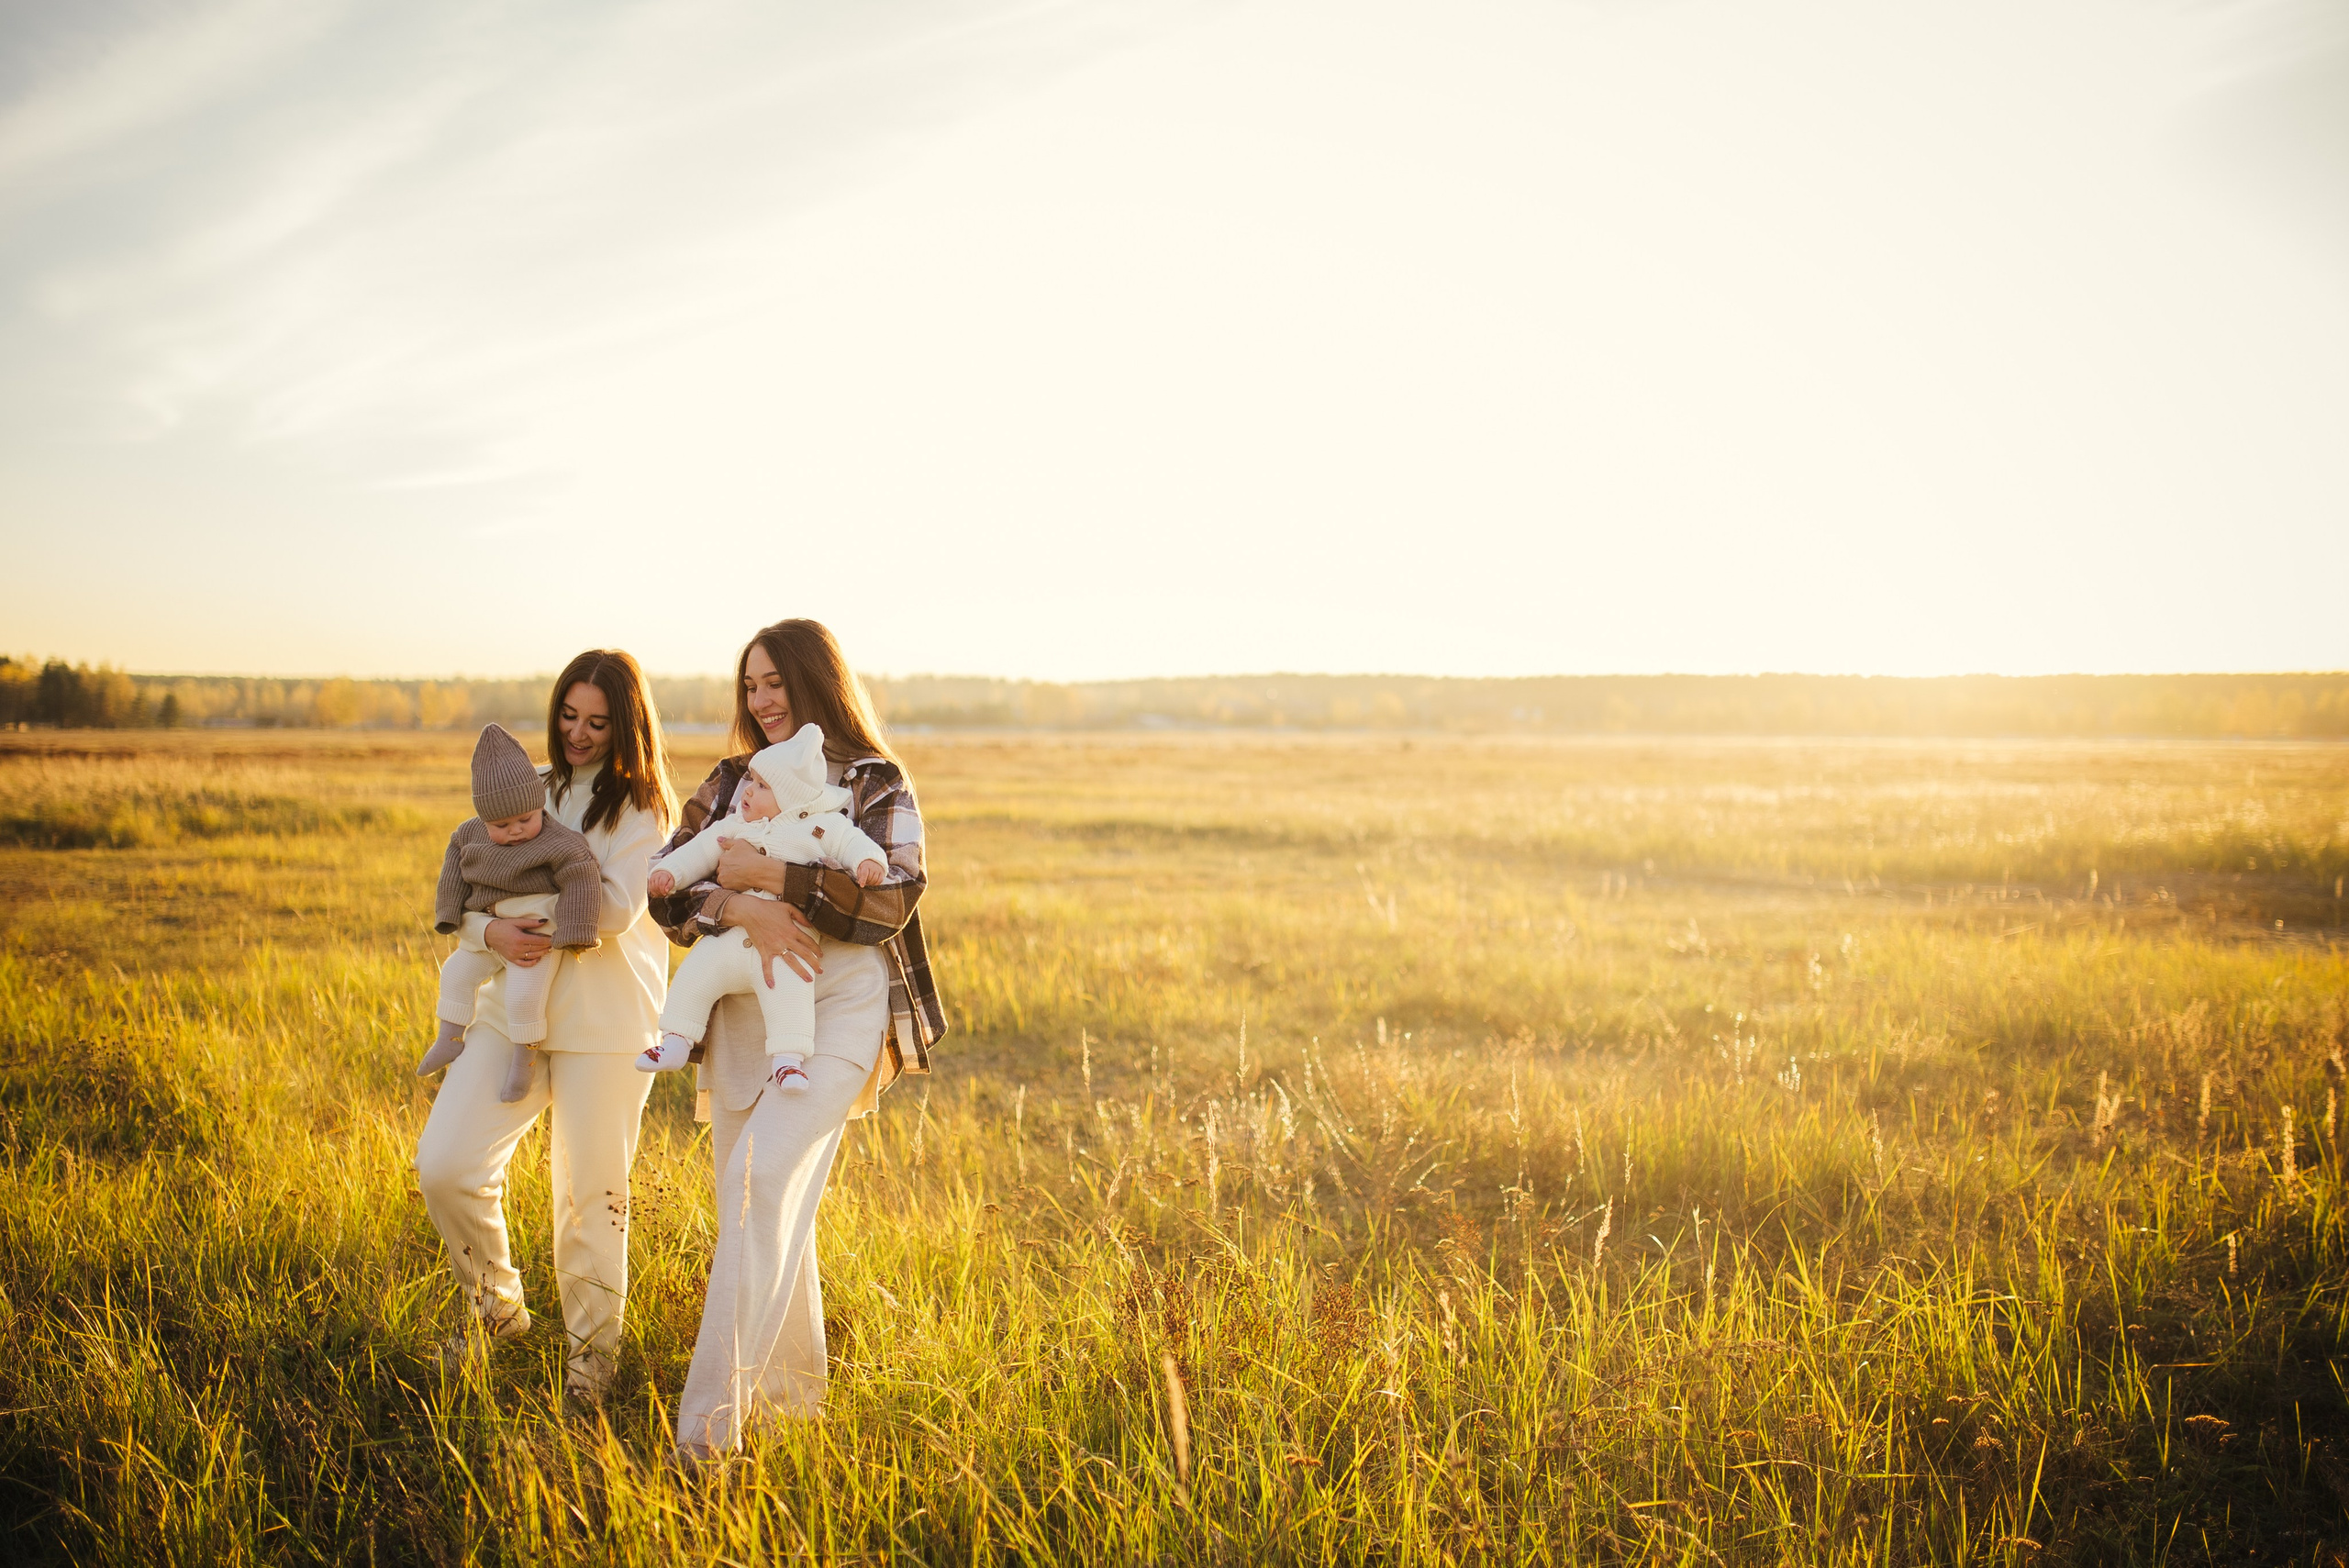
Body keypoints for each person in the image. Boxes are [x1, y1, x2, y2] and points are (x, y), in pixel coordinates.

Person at [649, 617, 945, 1459]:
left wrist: (769, 875)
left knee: (755, 1186)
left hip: (840, 1010)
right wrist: (736, 903)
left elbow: (893, 897)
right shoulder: (730, 780)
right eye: (750, 685)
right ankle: (790, 1403)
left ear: (816, 681)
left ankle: (704, 1442)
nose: (761, 700)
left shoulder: (877, 781)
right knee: (770, 1209)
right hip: (746, 1013)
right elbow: (670, 889)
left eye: (775, 681)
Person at [412, 650, 676, 1400]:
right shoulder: (533, 788)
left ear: (627, 725)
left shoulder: (646, 809)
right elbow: (471, 886)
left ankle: (590, 1373)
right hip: (510, 1011)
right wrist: (488, 932)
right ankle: (497, 1310)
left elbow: (619, 908)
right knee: (447, 1164)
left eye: (598, 721)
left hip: (606, 1024)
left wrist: (505, 916)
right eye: (569, 715)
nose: (579, 733)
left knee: (589, 1201)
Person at [638, 721, 887, 1094]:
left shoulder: (821, 827)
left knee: (792, 992)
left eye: (762, 786)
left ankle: (789, 1062)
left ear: (792, 797)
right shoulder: (738, 825)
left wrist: (870, 862)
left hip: (786, 945)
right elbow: (700, 851)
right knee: (694, 976)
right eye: (751, 781)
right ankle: (675, 1041)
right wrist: (670, 873)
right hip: (729, 939)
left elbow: (854, 843)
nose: (748, 792)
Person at [418, 724, 604, 1102]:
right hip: (487, 925)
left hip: (536, 935)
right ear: (483, 819)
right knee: (454, 973)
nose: (517, 831)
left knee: (523, 997)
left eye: (525, 819)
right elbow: (451, 874)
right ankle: (450, 1037)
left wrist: (574, 930)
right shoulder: (466, 836)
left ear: (539, 804)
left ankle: (524, 1063)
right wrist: (451, 914)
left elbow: (582, 878)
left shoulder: (560, 842)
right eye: (501, 826)